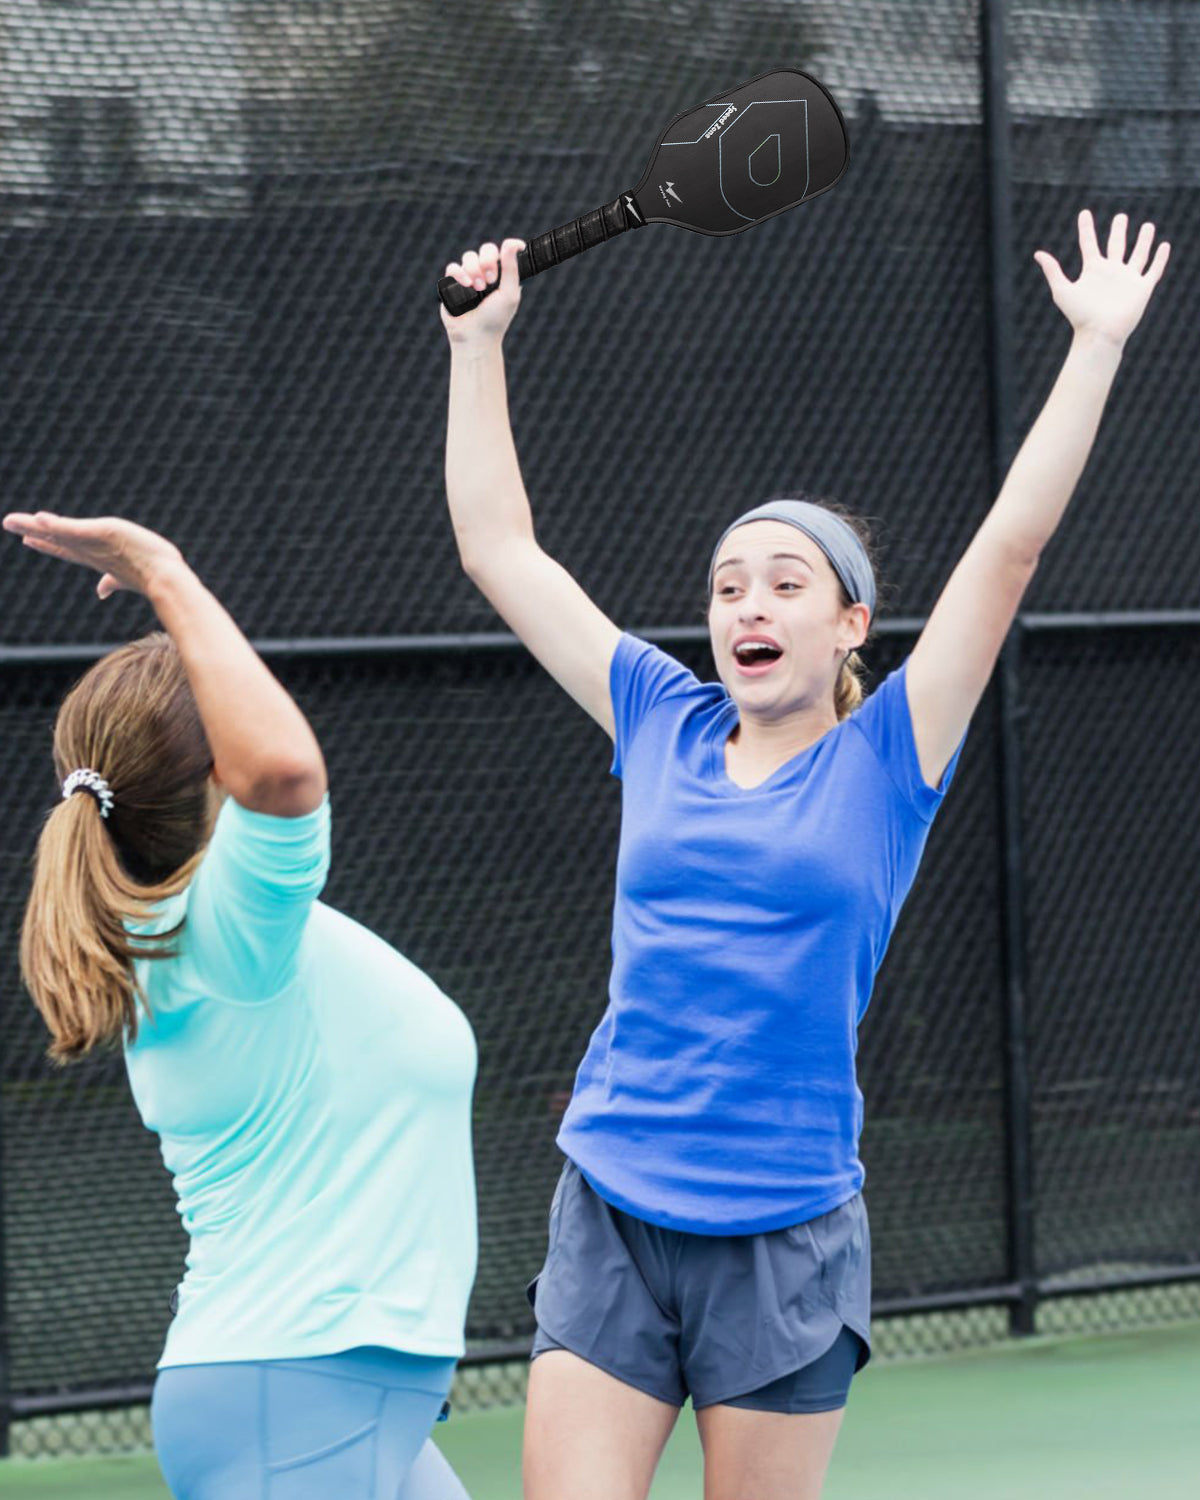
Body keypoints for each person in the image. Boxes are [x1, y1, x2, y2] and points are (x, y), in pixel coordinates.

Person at [439, 209, 1169, 1500]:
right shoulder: (660, 715)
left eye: (783, 583)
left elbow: (1009, 547)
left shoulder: (888, 759)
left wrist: (1097, 347)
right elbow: (503, 551)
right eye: (727, 586)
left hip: (783, 1239)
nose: (746, 607)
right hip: (612, 1203)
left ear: (850, 625)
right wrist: (477, 345)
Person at [2, 511, 477, 1500]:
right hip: (298, 1392)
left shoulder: (199, 933)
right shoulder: (228, 934)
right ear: (217, 768)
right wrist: (162, 571)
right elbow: (286, 772)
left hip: (331, 1390)